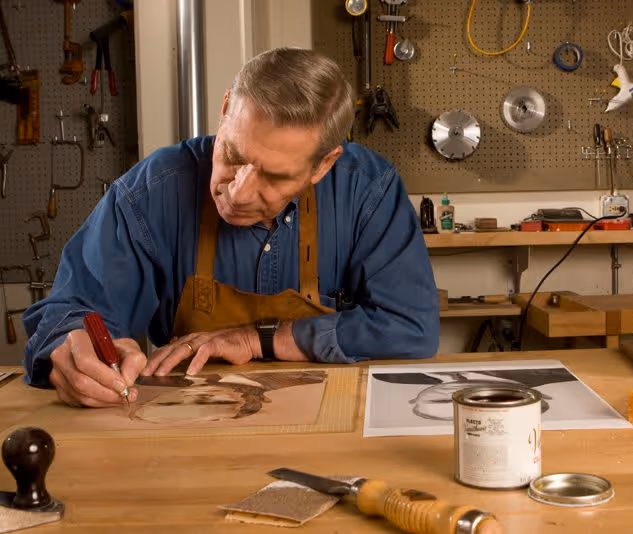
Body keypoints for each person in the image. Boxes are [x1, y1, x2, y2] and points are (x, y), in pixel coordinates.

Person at [22, 47, 440, 408]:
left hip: (335, 425)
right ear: (225, 110)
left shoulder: (366, 190)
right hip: (191, 426)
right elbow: (69, 310)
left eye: (275, 177)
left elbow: (410, 327)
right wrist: (72, 344)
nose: (238, 193)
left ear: (323, 165)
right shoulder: (150, 191)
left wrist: (256, 339)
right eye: (233, 155)